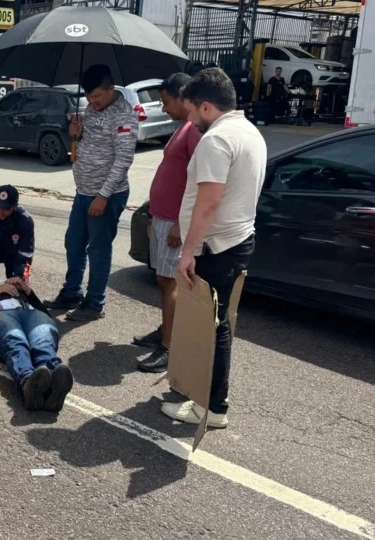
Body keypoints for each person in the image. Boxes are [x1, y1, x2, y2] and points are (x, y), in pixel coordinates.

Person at [160, 68, 267, 429]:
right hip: (238, 240)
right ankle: (201, 395)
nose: (188, 119)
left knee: (213, 326)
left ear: (206, 107)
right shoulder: (249, 132)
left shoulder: (216, 140)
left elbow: (208, 203)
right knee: (218, 324)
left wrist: (189, 251)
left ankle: (213, 407)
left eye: (191, 111)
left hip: (217, 246)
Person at [44, 64, 138, 321]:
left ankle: (95, 303)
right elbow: (84, 142)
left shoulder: (124, 116)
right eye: (88, 97)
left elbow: (123, 160)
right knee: (74, 243)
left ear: (111, 89)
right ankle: (72, 291)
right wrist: (76, 134)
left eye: (97, 96)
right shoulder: (89, 109)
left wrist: (103, 196)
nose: (92, 102)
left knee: (98, 249)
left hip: (107, 195)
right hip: (83, 191)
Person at [134, 73, 202, 374]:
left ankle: (170, 348)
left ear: (181, 97)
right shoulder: (182, 129)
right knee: (163, 281)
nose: (164, 108)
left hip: (175, 222)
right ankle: (165, 330)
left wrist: (178, 224)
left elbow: (199, 182)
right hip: (163, 218)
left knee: (171, 283)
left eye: (165, 102)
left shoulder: (194, 132)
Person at [0, 277, 73, 412]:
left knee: (43, 341)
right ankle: (27, 382)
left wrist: (28, 291)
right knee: (15, 341)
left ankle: (53, 380)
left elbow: (45, 314)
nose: (3, 284)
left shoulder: (23, 294)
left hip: (31, 312)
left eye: (4, 281)